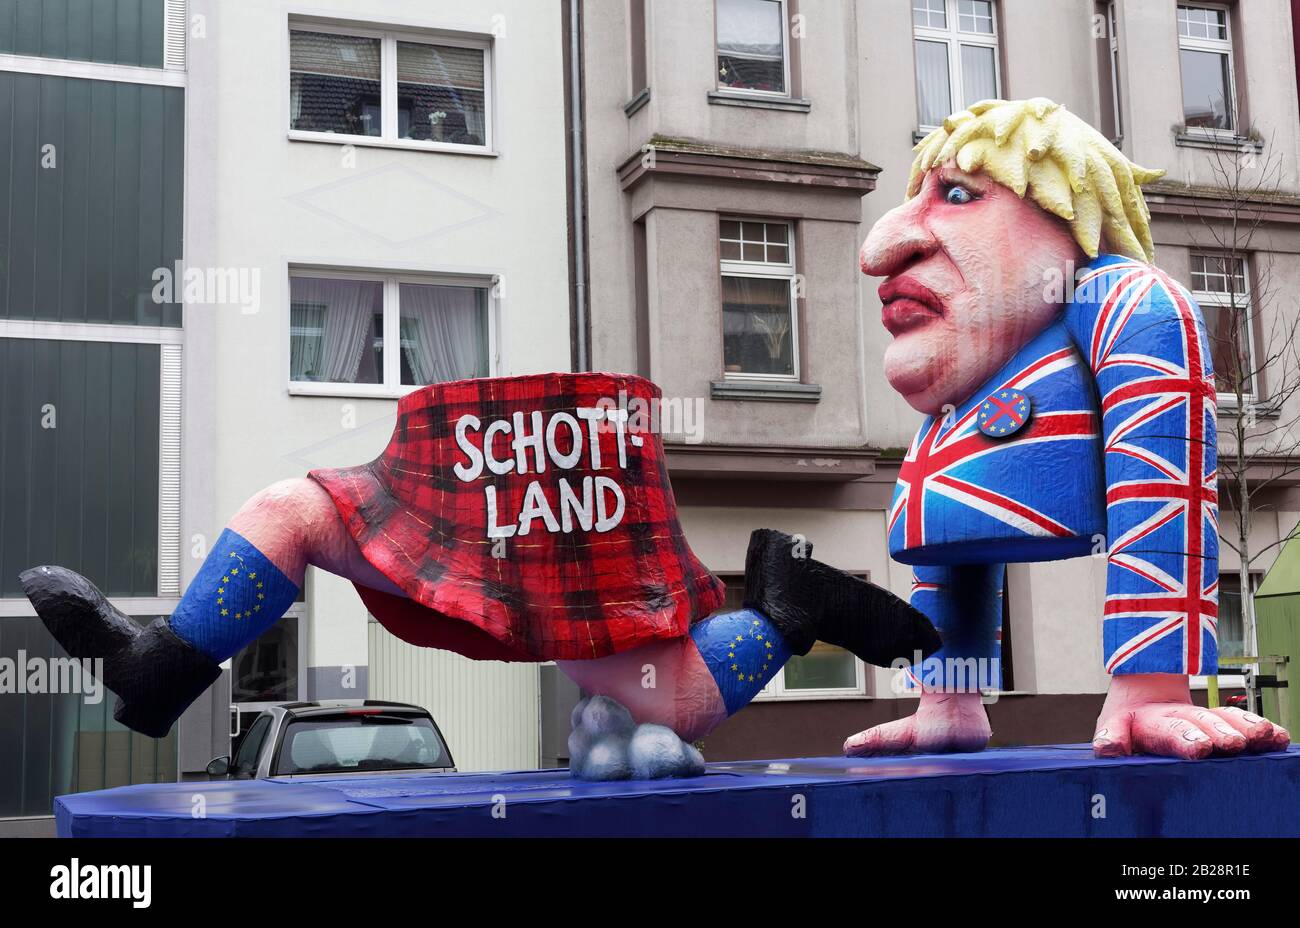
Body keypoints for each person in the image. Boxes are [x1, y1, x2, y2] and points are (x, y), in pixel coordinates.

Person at [22, 372, 937, 779]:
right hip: (479, 487)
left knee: (672, 702)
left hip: (553, 511)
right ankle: (159, 667)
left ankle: (787, 604)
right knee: (289, 508)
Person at [849, 98, 1289, 759]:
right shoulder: (972, 383)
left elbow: (1165, 473)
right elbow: (952, 553)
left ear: (1065, 222)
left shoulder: (1117, 303)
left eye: (960, 195)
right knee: (954, 549)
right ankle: (947, 702)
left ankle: (1145, 682)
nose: (881, 249)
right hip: (983, 535)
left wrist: (1153, 684)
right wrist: (944, 694)